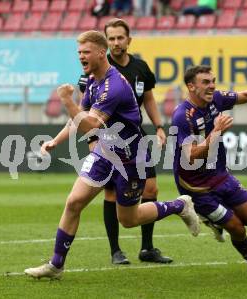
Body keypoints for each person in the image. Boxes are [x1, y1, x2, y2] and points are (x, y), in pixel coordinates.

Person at [24, 30, 201, 279]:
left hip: (130, 161)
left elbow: (90, 125)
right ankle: (56, 265)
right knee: (74, 202)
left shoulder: (113, 86)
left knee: (128, 220)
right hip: (105, 154)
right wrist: (56, 140)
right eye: (79, 53)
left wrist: (66, 100)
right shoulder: (94, 80)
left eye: (85, 52)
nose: (81, 57)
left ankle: (179, 205)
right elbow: (80, 117)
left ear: (100, 52)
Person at [172, 65, 247, 276]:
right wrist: (217, 131)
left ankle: (215, 219)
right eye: (206, 82)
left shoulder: (216, 100)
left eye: (213, 81)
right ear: (191, 86)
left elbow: (244, 95)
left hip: (220, 175)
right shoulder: (182, 116)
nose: (212, 86)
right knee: (237, 228)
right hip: (197, 187)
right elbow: (191, 155)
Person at [78, 18, 171, 265]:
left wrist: (159, 126)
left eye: (121, 37)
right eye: (111, 38)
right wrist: (91, 140)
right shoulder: (94, 73)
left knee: (151, 189)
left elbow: (149, 99)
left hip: (136, 138)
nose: (116, 42)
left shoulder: (140, 68)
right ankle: (115, 250)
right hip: (107, 139)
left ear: (129, 40)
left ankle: (147, 248)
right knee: (111, 194)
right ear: (105, 43)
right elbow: (85, 113)